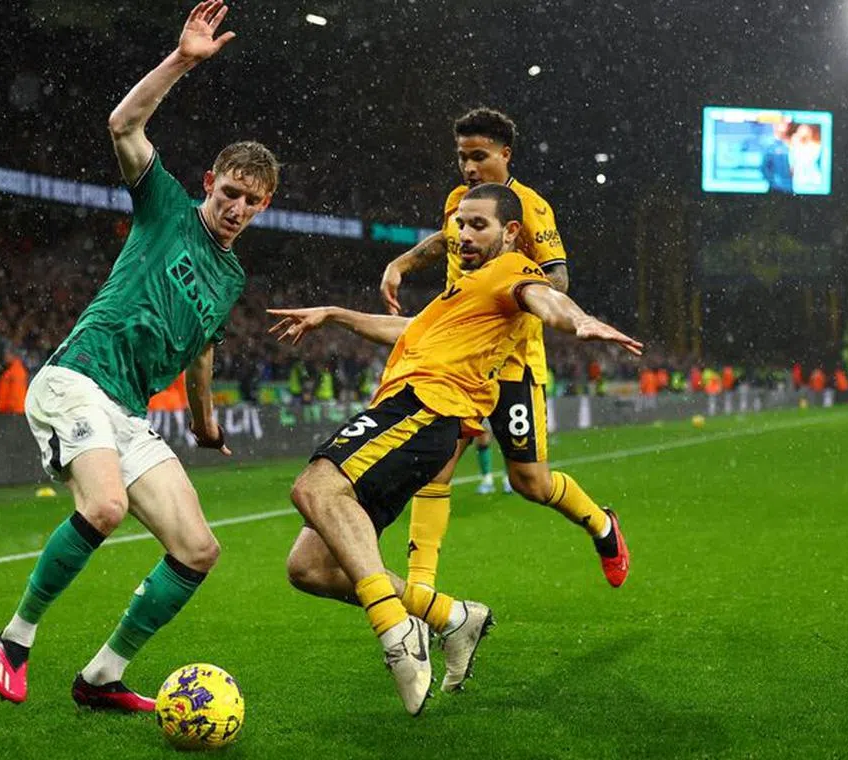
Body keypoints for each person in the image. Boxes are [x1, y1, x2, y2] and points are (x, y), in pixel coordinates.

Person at [0, 1, 278, 713]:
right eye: (230, 193)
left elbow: (201, 354)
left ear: (266, 206)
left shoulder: (232, 277)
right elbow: (122, 124)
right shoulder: (167, 209)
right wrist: (183, 61)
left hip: (127, 412)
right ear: (210, 184)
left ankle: (101, 678)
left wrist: (207, 426)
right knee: (107, 504)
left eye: (252, 201)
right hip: (76, 380)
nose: (236, 208)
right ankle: (16, 637)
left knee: (198, 549)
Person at [270, 184, 642, 714]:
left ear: (510, 232)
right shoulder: (461, 292)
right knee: (308, 567)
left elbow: (543, 297)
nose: (463, 235)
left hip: (424, 409)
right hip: (412, 411)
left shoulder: (511, 270)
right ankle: (450, 616)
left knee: (314, 486)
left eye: (478, 225)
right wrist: (334, 313)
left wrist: (574, 318)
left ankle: (398, 632)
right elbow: (408, 330)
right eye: (460, 225)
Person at [378, 108, 630, 593]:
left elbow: (558, 277)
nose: (468, 167)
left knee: (530, 483)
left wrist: (516, 287)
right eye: (461, 157)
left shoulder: (531, 208)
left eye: (479, 156)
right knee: (434, 470)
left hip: (512, 363)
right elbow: (446, 239)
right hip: (454, 365)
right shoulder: (459, 200)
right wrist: (402, 263)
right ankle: (421, 598)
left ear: (505, 154)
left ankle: (602, 526)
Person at [0, 350, 29, 415]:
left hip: (12, 409)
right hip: (13, 409)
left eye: (7, 355)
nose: (5, 358)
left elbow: (14, 392)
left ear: (12, 356)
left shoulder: (13, 371)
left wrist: (2, 408)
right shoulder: (15, 370)